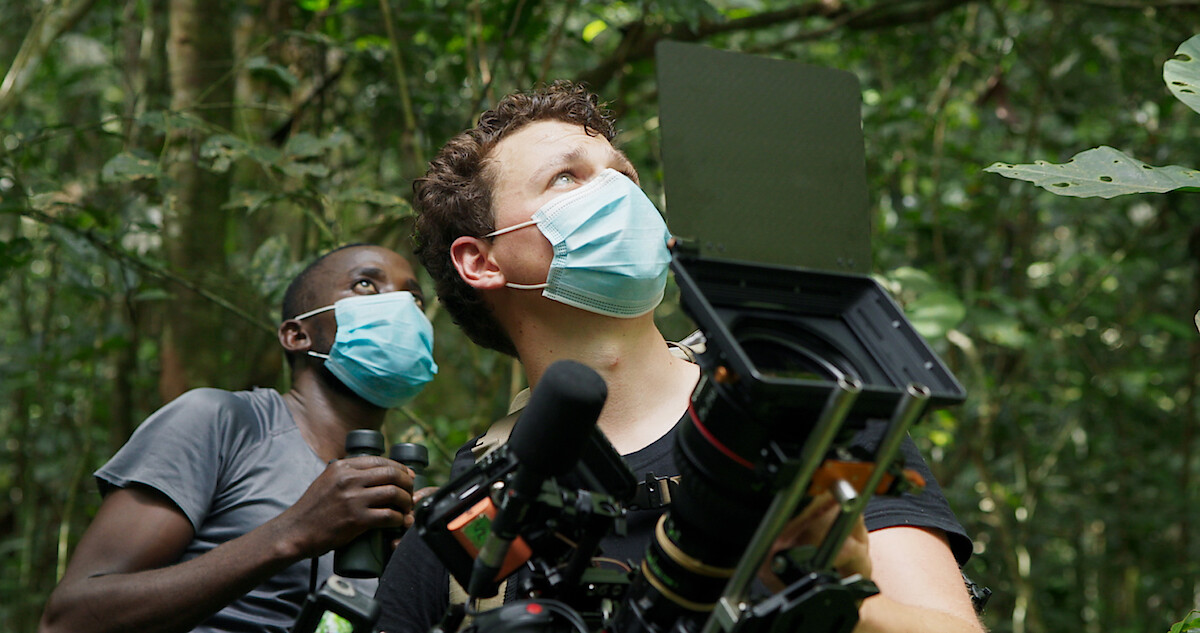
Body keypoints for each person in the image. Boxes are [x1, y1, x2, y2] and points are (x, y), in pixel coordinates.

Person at [375, 82, 984, 633]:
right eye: (567, 177)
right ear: (480, 261)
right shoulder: (467, 526)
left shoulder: (806, 411)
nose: (616, 192)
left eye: (625, 176)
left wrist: (836, 603)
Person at [39, 244, 439, 633]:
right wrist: (293, 533)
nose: (402, 307)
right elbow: (69, 620)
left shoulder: (397, 496)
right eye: (366, 285)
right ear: (297, 335)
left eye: (415, 298)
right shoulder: (222, 421)